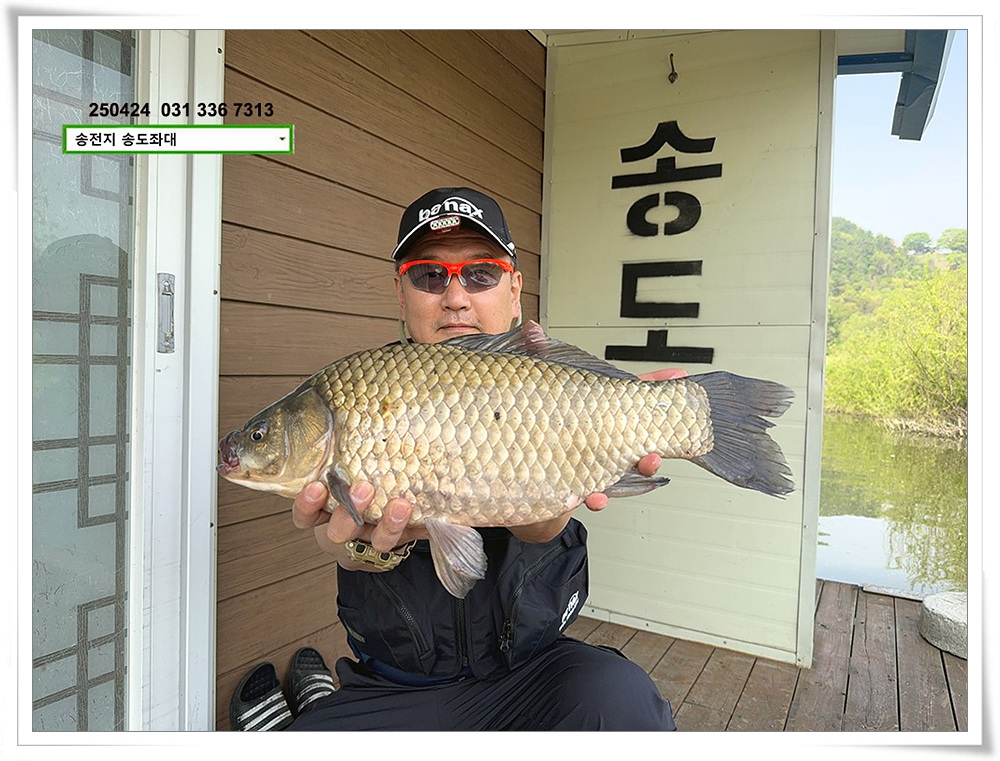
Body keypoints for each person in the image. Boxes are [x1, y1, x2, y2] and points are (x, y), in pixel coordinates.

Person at [230, 187, 681, 731]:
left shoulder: (548, 381)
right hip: (395, 683)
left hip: (534, 672)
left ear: (515, 291)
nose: (456, 297)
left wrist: (556, 502)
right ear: (401, 295)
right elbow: (351, 546)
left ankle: (315, 703)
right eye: (429, 276)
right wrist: (357, 550)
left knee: (626, 703)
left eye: (481, 274)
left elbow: (543, 529)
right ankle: (319, 707)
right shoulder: (361, 388)